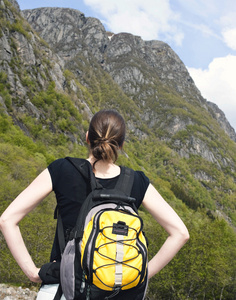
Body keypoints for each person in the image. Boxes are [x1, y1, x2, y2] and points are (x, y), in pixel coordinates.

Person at [0, 109, 189, 299]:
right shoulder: (136, 180)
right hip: (117, 293)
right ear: (121, 145)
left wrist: (32, 272)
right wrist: (139, 274)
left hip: (65, 288)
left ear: (87, 137)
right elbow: (180, 234)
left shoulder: (62, 169)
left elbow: (7, 220)